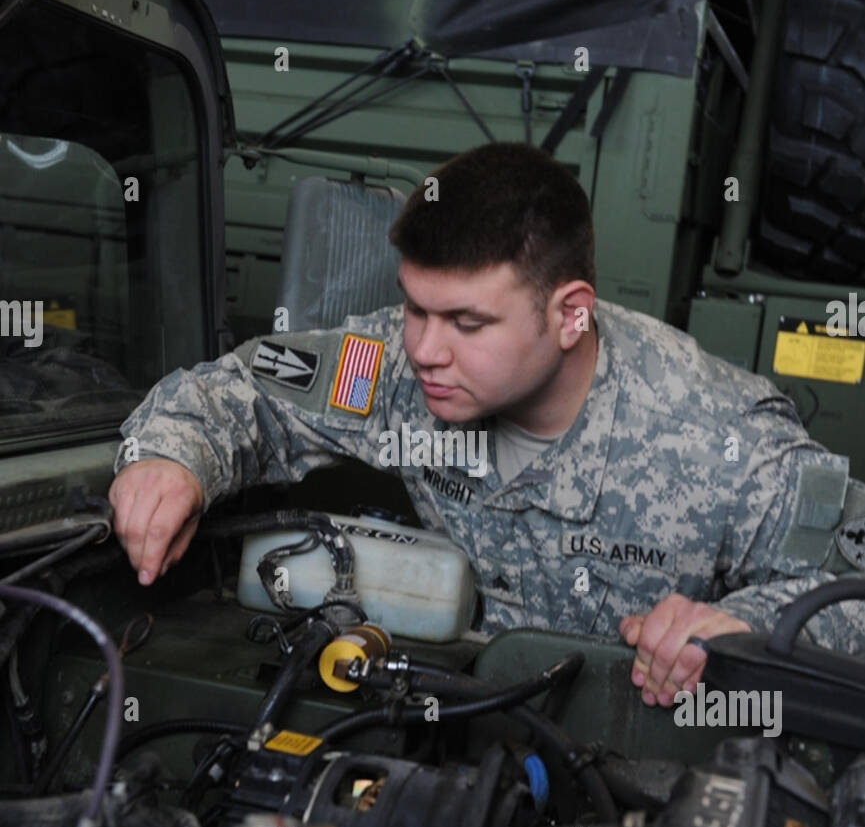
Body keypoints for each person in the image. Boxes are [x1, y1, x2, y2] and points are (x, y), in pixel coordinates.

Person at [108, 141, 865, 709]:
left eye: (467, 321)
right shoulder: (388, 365)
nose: (425, 350)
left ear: (570, 312)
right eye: (413, 307)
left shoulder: (719, 437)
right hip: (442, 718)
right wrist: (172, 458)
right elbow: (246, 384)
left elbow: (853, 593)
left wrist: (736, 629)